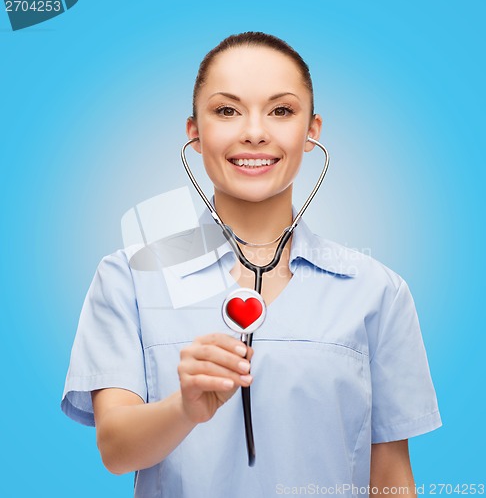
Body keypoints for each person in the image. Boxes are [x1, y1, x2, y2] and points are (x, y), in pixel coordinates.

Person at [61, 32, 442, 497]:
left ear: (312, 131)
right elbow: (116, 450)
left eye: (281, 110)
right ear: (195, 134)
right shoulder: (131, 275)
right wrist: (185, 408)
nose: (255, 131)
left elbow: (391, 477)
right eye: (227, 110)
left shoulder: (376, 289)